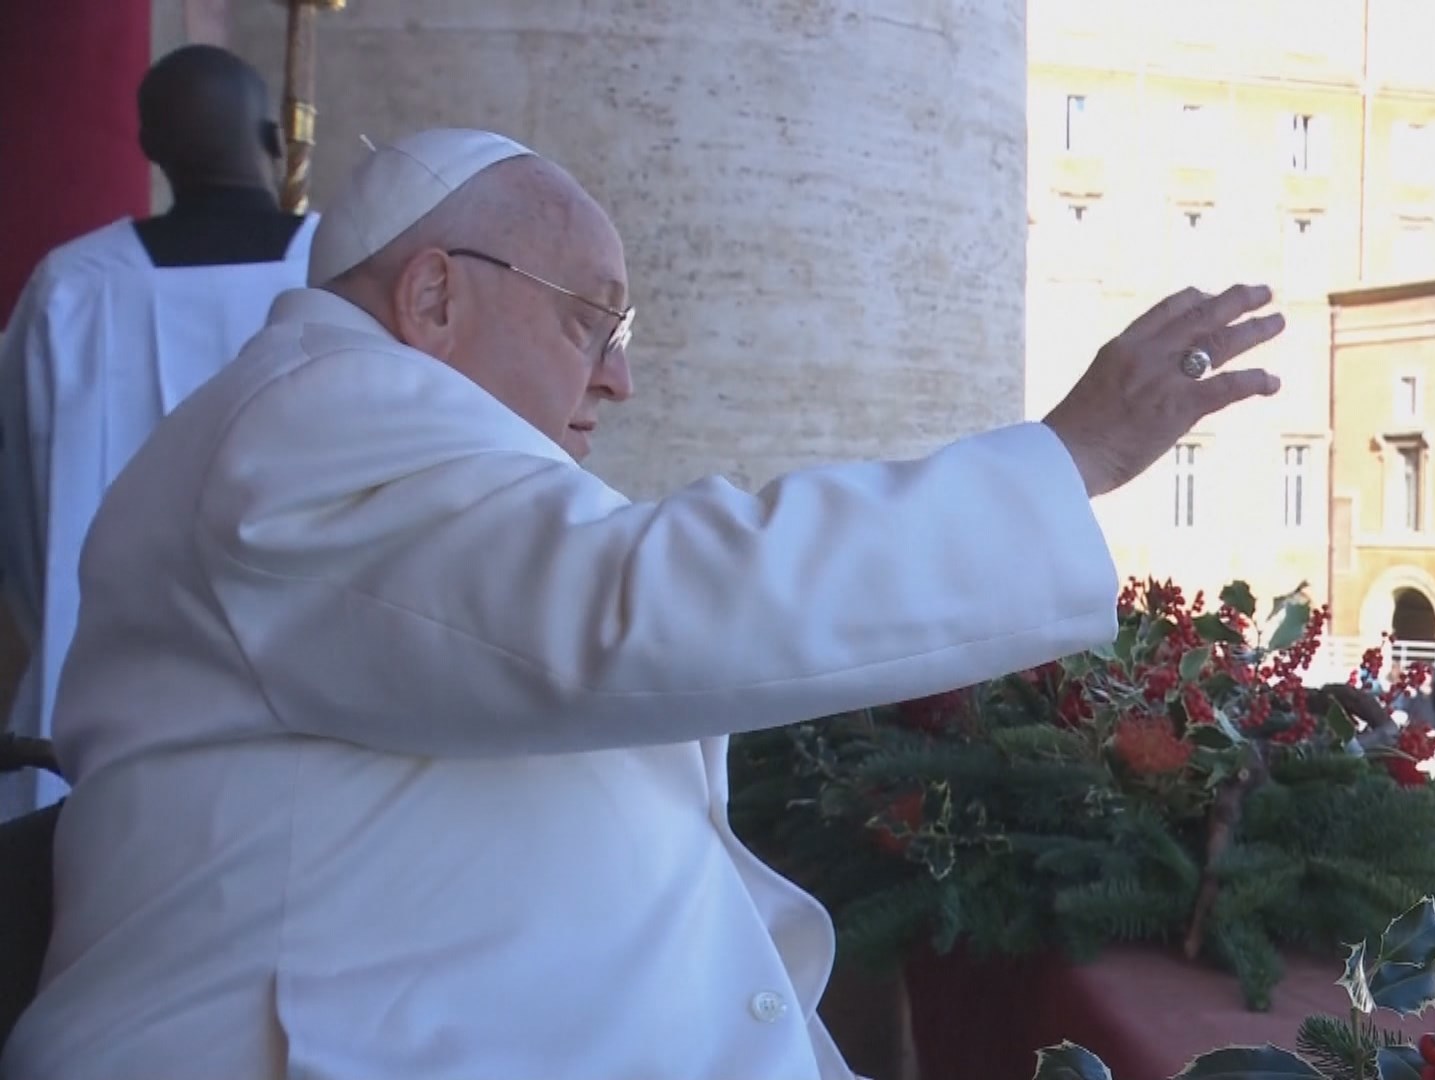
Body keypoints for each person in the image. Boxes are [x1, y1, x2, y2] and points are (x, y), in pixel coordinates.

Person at [0, 128, 1287, 1080]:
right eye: (590, 319)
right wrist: (1066, 463)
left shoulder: (376, 439)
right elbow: (620, 616)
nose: (616, 378)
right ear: (435, 295)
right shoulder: (317, 409)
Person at [0, 44, 314, 817]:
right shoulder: (340, 269)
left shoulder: (72, 287)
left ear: (148, 151)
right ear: (275, 141)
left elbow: (21, 499)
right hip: (309, 702)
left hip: (95, 700)